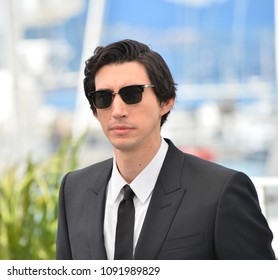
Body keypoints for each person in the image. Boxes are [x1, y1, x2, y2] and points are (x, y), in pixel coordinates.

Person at [56, 39, 275, 260]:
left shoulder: (221, 192)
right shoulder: (73, 190)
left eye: (132, 94)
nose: (117, 111)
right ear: (95, 111)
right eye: (104, 98)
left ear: (166, 101)